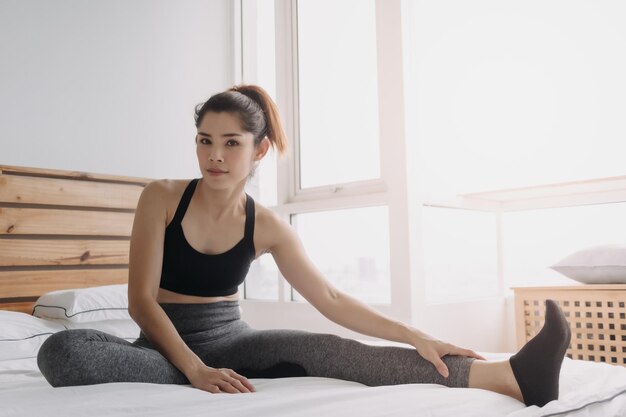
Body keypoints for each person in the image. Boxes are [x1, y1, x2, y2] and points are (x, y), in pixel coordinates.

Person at [37, 85, 571, 408]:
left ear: (259, 149)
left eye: (231, 143)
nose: (214, 156)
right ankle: (194, 369)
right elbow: (140, 303)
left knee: (336, 352)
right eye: (205, 140)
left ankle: (512, 376)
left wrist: (416, 333)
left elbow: (332, 301)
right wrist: (195, 372)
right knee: (60, 350)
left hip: (234, 343)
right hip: (162, 347)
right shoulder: (161, 198)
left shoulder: (266, 225)